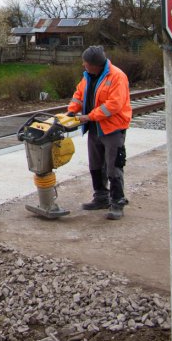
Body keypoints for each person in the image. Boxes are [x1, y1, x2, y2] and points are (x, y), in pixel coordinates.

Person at [66, 45, 133, 219]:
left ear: (95, 64)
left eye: (86, 63)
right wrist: (72, 110)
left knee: (113, 166)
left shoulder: (117, 76)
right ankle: (101, 197)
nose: (83, 65)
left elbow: (113, 105)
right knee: (95, 165)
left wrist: (89, 116)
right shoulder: (88, 76)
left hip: (112, 128)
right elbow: (79, 94)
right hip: (95, 128)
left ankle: (117, 202)